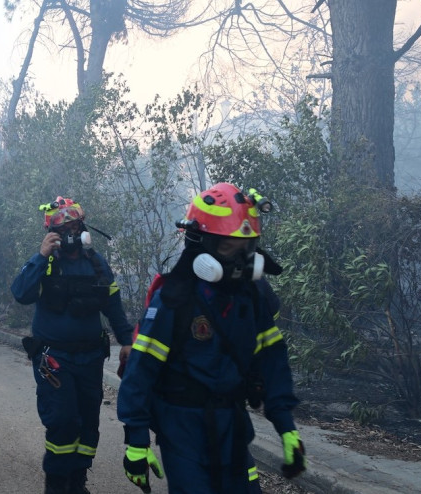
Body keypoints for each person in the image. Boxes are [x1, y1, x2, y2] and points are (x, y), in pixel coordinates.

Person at [116, 182, 306, 494]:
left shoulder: (253, 296)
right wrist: (136, 441)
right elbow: (141, 370)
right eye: (230, 247)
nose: (241, 259)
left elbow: (272, 361)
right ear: (201, 244)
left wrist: (286, 427)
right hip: (182, 428)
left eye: (246, 247)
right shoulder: (174, 298)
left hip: (232, 425)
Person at [11, 196, 134, 494]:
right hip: (54, 358)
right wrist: (41, 256)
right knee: (63, 420)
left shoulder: (96, 262)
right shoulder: (45, 263)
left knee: (89, 422)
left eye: (74, 225)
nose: (69, 231)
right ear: (51, 232)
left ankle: (78, 482)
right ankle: (56, 484)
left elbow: (113, 304)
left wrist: (126, 341)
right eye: (61, 227)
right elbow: (21, 293)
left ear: (83, 227)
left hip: (90, 357)